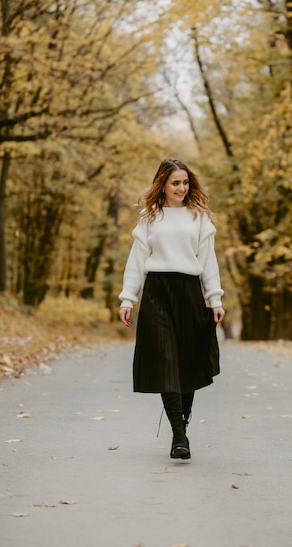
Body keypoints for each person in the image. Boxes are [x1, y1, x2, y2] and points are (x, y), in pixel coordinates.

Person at [119, 157, 225, 460]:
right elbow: (137, 261)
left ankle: (182, 425)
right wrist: (128, 299)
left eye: (185, 182)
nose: (182, 187)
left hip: (190, 292)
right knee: (166, 361)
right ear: (163, 185)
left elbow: (208, 261)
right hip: (157, 293)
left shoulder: (199, 217)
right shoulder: (150, 218)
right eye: (175, 182)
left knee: (188, 363)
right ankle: (180, 436)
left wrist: (215, 299)